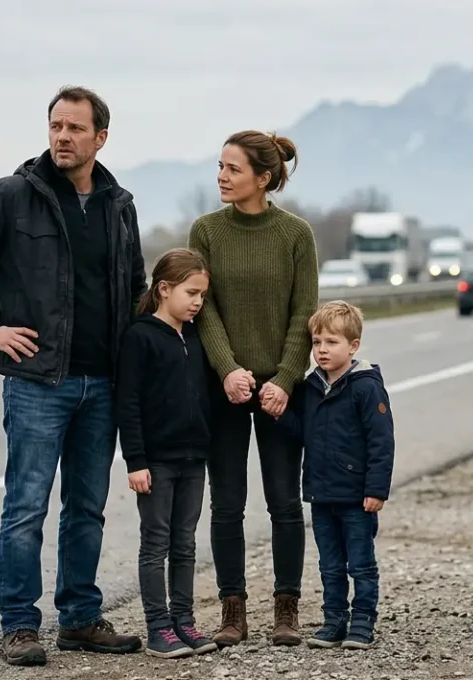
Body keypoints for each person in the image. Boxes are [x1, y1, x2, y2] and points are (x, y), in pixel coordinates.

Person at [0, 85, 144, 667]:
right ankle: (20, 626)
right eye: (55, 126)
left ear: (100, 137)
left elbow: (133, 286)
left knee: (88, 506)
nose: (63, 137)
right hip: (37, 382)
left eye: (75, 128)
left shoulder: (119, 204)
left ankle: (78, 619)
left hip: (103, 383)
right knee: (26, 506)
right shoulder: (10, 197)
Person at [187, 130, 320, 647]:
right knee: (227, 504)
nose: (221, 176)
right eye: (219, 166)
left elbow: (302, 313)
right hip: (223, 387)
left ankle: (286, 609)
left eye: (232, 169)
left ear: (262, 178)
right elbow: (204, 308)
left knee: (285, 502)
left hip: (280, 389)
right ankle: (232, 611)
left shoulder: (295, 234)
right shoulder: (206, 231)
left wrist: (285, 379)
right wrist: (227, 370)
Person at [115, 248, 219, 659]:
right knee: (155, 544)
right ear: (163, 289)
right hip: (156, 462)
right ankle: (159, 628)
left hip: (194, 459)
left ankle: (185, 622)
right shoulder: (140, 337)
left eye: (202, 296)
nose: (197, 302)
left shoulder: (194, 336)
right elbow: (128, 403)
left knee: (186, 542)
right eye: (191, 293)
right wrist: (135, 461)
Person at [275, 301, 394, 650]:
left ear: (353, 346)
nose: (322, 350)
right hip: (322, 495)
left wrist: (376, 489)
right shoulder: (312, 387)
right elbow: (304, 433)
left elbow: (381, 441)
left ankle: (362, 622)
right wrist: (278, 413)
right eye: (317, 343)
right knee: (329, 565)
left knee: (360, 564)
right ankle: (334, 621)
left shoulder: (366, 387)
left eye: (331, 342)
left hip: (357, 497)